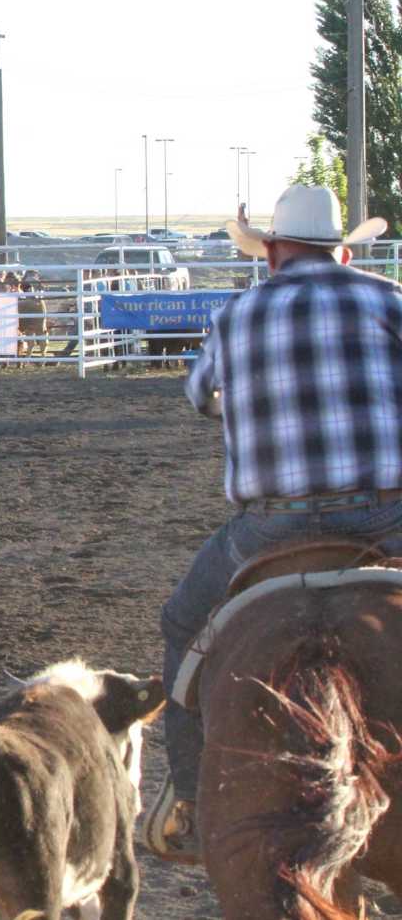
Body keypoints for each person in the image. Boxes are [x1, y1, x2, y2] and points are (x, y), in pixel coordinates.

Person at [145, 185, 396, 864]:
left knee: (182, 625)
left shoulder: (237, 314)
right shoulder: (389, 300)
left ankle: (191, 797)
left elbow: (200, 397)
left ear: (273, 252)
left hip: (269, 528)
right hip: (386, 515)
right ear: (343, 253)